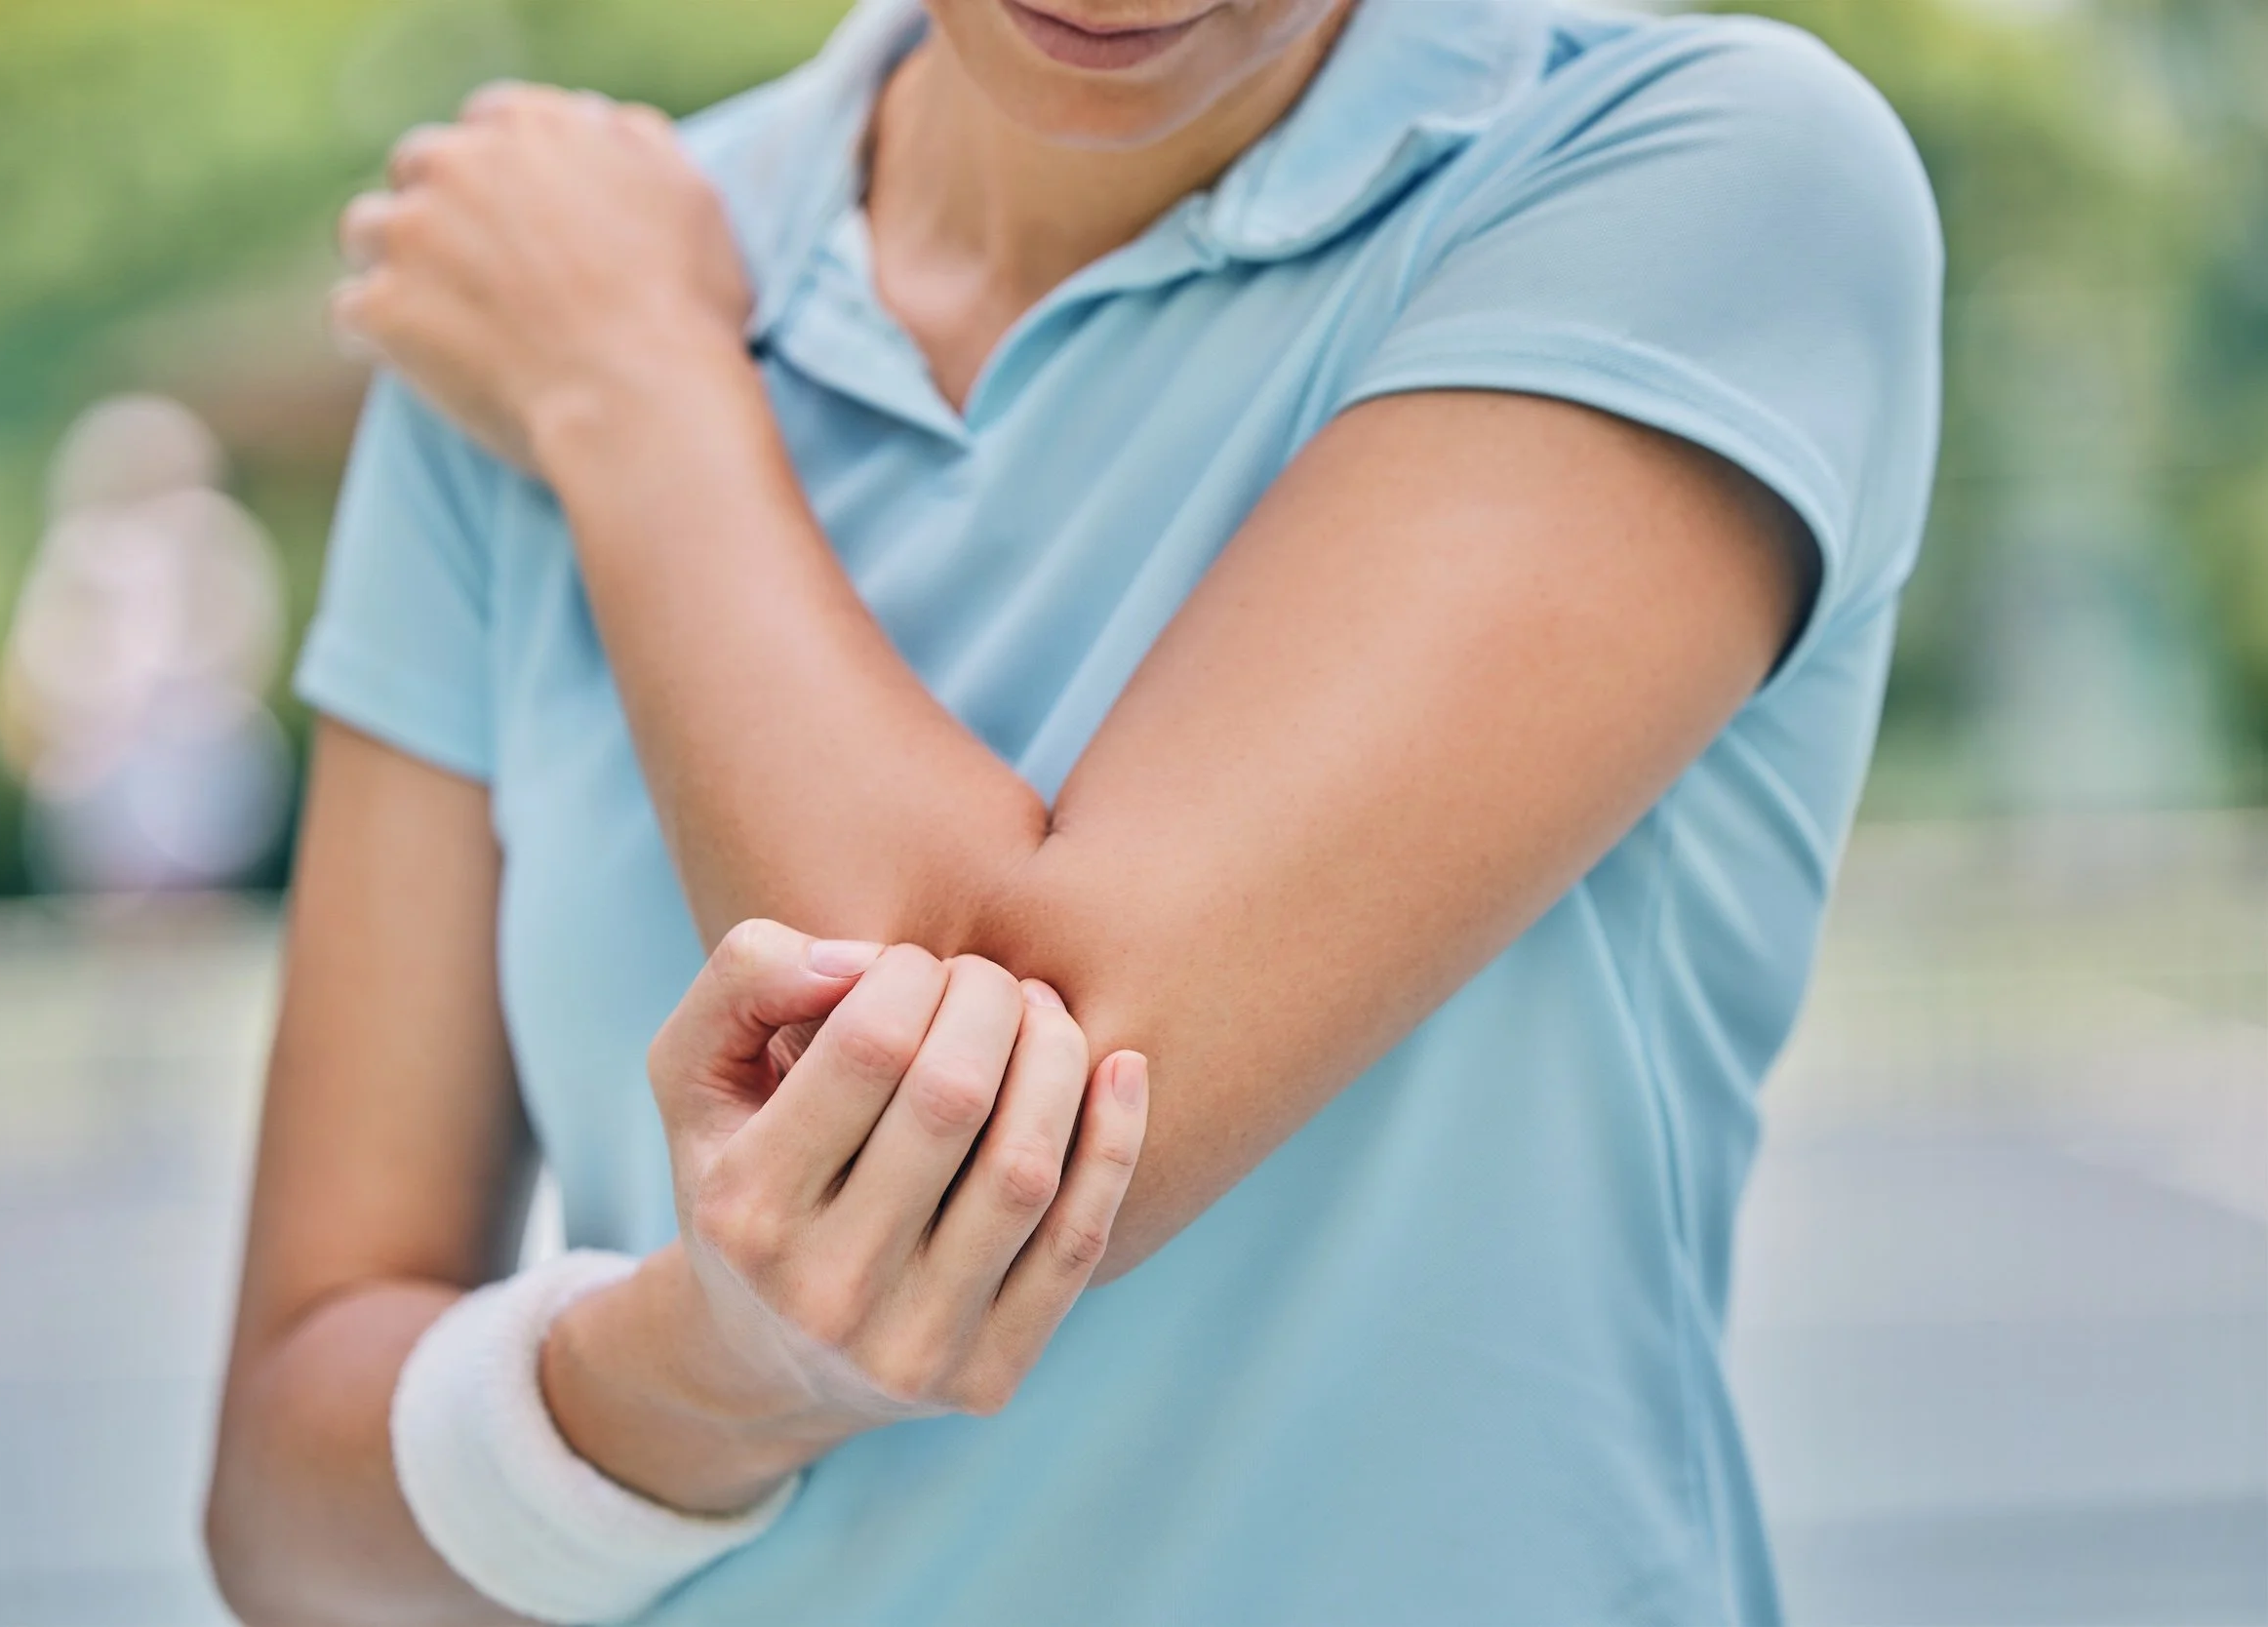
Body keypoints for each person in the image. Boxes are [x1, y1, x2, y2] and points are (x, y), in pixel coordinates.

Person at [206, 0, 1942, 1621]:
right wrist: (695, 1380)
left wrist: (640, 403)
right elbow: (285, 1515)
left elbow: (994, 1134)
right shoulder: (558, 266)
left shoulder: (1698, 172)